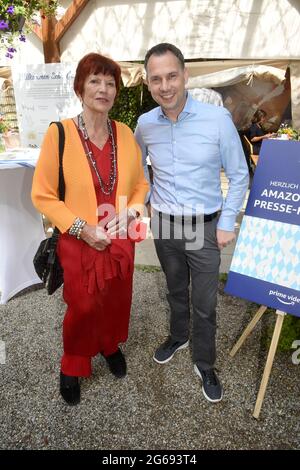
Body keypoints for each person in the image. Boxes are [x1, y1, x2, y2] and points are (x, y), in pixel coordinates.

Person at [32, 53, 149, 406]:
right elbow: (43, 195)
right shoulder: (60, 134)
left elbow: (141, 184)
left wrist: (132, 210)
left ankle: (109, 344)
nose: (103, 89)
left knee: (116, 299)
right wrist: (82, 228)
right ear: (80, 87)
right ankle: (74, 363)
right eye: (95, 81)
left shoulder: (125, 134)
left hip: (119, 241)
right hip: (79, 241)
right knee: (82, 307)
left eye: (110, 83)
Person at [135, 43, 249, 403]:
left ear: (185, 76)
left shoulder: (216, 120)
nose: (165, 86)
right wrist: (148, 200)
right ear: (148, 83)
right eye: (156, 79)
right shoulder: (145, 124)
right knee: (173, 290)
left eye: (171, 76)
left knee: (205, 302)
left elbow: (239, 174)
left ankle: (205, 362)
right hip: (166, 224)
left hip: (205, 227)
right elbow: (138, 170)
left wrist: (228, 222)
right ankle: (178, 335)